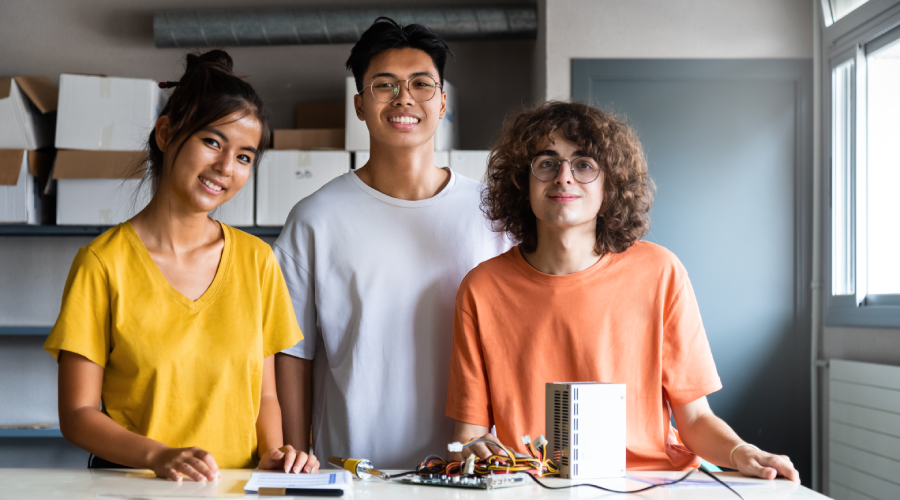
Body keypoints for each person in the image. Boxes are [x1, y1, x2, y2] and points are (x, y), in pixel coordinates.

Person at [445, 101, 799, 482]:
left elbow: (695, 419)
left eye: (584, 164)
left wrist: (742, 451)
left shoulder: (660, 273)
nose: (564, 177)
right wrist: (475, 450)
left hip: (649, 484)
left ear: (609, 184)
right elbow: (470, 437)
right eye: (546, 163)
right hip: (534, 487)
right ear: (522, 181)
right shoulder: (482, 289)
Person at [44, 50, 319, 481]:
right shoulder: (102, 264)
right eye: (212, 142)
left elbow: (264, 395)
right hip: (134, 489)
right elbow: (77, 413)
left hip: (235, 488)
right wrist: (158, 457)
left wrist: (273, 453)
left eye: (245, 157)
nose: (226, 167)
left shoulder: (257, 261)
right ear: (167, 133)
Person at [274, 18, 508, 468]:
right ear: (360, 105)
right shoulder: (315, 218)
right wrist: (298, 452)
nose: (404, 97)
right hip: (351, 466)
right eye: (385, 85)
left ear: (442, 103)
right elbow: (293, 352)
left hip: (472, 468)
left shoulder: (493, 215)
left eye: (421, 84)